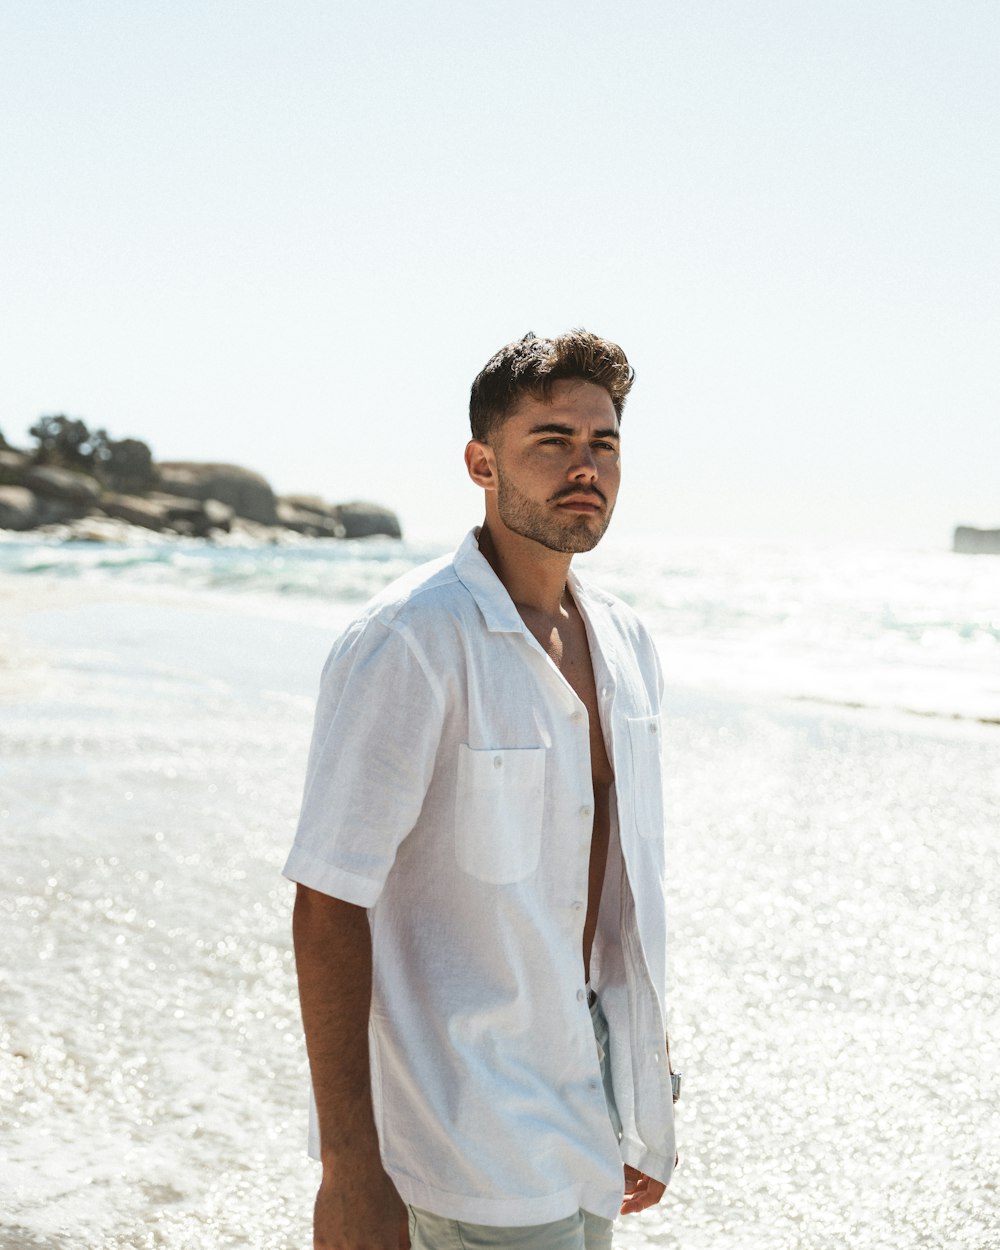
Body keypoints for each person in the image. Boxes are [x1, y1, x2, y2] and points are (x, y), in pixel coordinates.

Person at [285, 329, 678, 1250]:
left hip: (584, 1115)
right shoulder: (412, 641)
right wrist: (349, 1173)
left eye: (604, 443)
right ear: (481, 462)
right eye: (552, 440)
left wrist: (644, 1093)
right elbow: (327, 901)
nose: (586, 466)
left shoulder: (626, 647)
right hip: (458, 1138)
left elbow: (616, 904)